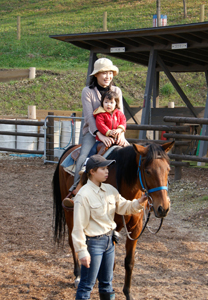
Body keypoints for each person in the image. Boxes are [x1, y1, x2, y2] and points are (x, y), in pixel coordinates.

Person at [72, 155, 148, 300]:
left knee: (107, 283)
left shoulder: (110, 190)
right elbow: (78, 228)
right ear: (92, 172)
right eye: (103, 169)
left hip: (109, 242)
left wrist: (140, 201)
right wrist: (82, 252)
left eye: (107, 168)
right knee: (87, 285)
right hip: (93, 244)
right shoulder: (83, 195)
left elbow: (125, 206)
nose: (107, 171)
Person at [67, 58, 127, 198]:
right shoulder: (87, 91)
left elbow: (121, 115)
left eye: (110, 73)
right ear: (96, 75)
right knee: (83, 157)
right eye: (104, 73)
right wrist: (100, 135)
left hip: (115, 132)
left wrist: (121, 133)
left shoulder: (116, 91)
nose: (108, 76)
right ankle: (76, 190)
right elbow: (89, 117)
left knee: (132, 154)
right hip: (92, 132)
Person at [88, 90, 128, 157]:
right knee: (93, 150)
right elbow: (100, 125)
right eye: (106, 102)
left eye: (111, 102)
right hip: (103, 139)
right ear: (102, 103)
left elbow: (123, 122)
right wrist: (109, 132)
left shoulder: (119, 114)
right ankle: (88, 161)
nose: (108, 104)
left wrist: (119, 130)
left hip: (117, 139)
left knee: (129, 149)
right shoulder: (100, 115)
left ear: (116, 104)